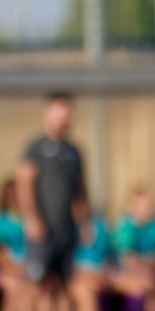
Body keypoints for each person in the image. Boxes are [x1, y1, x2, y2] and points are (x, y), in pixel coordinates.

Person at [15, 92, 88, 311]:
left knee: (62, 286)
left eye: (69, 110)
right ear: (48, 113)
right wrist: (32, 219)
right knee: (35, 286)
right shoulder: (35, 148)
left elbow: (81, 189)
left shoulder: (74, 151)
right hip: (43, 231)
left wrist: (85, 222)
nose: (66, 115)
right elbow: (24, 183)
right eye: (60, 109)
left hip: (66, 230)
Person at [110, 188, 155, 311]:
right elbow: (128, 262)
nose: (147, 208)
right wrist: (151, 263)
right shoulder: (125, 228)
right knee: (138, 292)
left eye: (149, 204)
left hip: (149, 273)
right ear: (131, 206)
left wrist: (150, 265)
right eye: (142, 205)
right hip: (119, 275)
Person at [0, 179, 37, 311]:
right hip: (7, 269)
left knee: (33, 291)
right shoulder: (2, 221)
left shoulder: (29, 219)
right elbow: (2, 255)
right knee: (14, 288)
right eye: (10, 195)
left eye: (16, 194)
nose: (13, 198)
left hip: (28, 267)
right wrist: (17, 270)